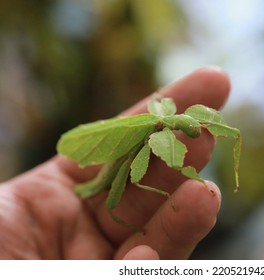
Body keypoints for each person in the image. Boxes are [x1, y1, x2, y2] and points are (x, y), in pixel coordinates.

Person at [0, 67, 230, 260]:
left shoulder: (165, 127)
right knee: (118, 195)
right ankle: (91, 190)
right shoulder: (159, 126)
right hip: (118, 164)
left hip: (129, 154)